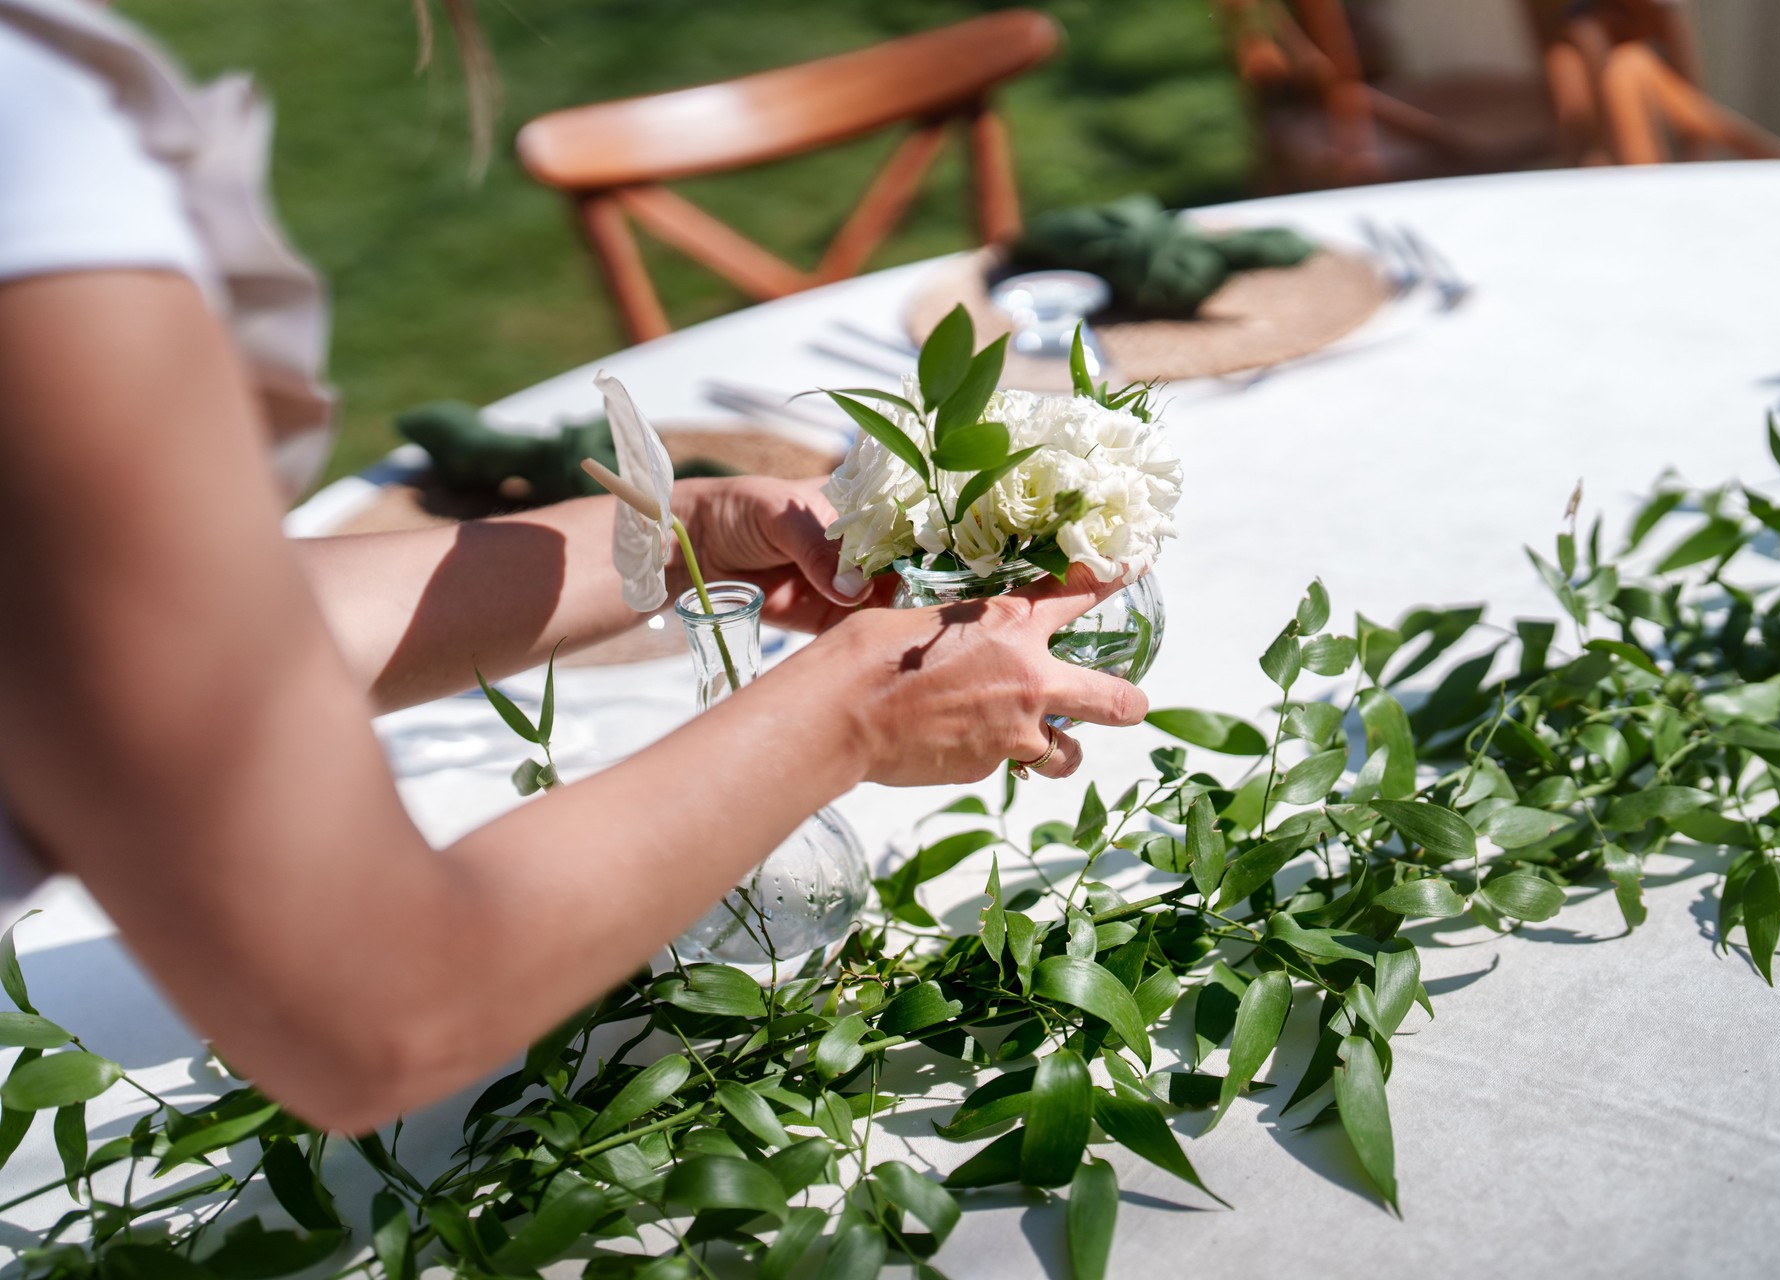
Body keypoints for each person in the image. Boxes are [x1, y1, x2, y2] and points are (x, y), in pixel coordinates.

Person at [0, 0, 1148, 1133]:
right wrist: (856, 712)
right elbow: (384, 1001)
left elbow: (125, 628)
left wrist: (672, 535)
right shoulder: (35, 151)